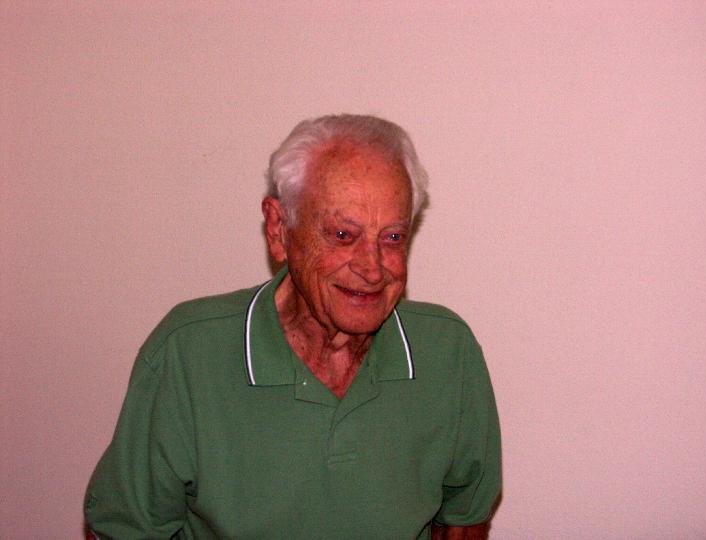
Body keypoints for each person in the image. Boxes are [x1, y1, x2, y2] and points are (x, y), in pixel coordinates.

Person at [84, 114, 501, 539]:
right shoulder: (189, 354)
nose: (372, 268)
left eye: (392, 238)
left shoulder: (447, 352)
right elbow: (126, 530)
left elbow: (465, 519)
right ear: (279, 229)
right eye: (343, 234)